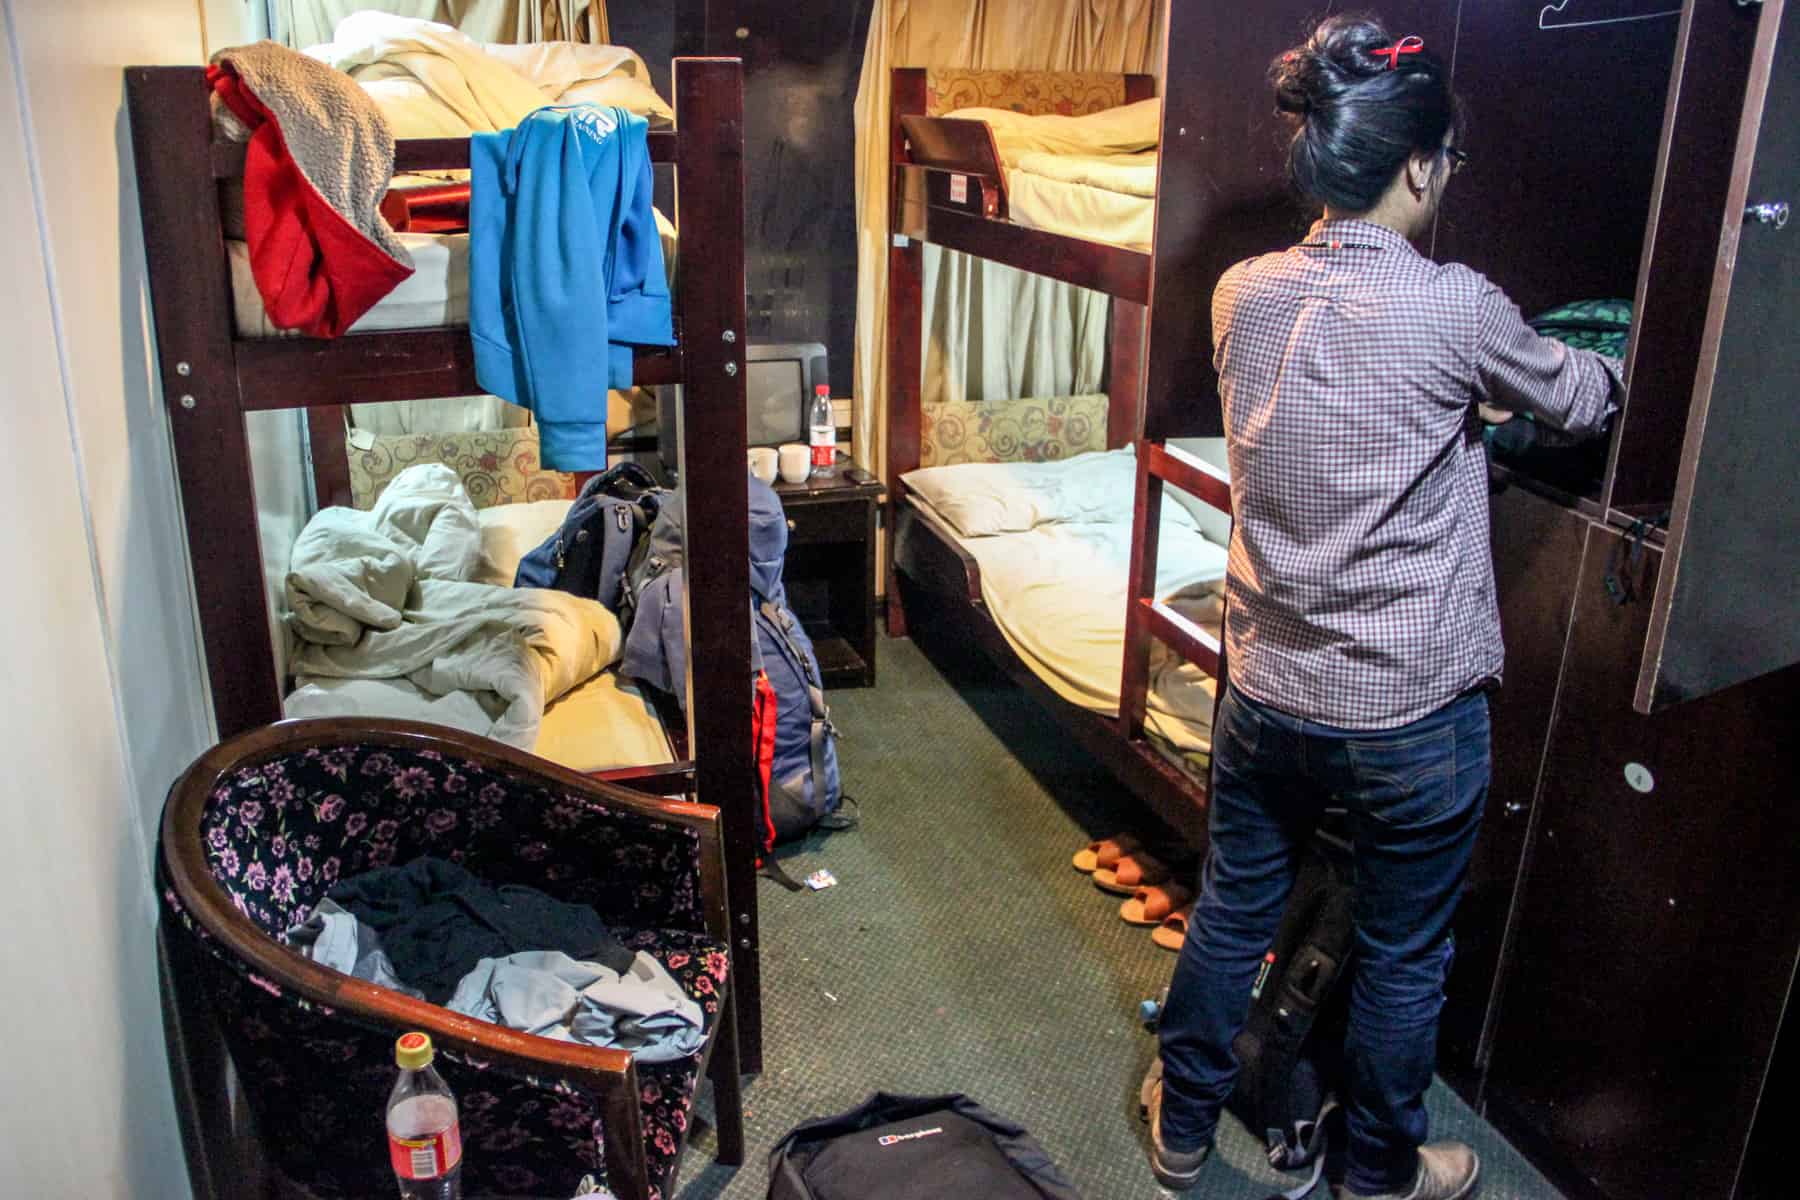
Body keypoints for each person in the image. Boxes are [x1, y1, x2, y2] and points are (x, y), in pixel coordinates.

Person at [1144, 14, 1622, 1200]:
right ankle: (1379, 1175)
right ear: (1419, 166)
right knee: (1407, 959)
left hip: (1268, 692)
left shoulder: (1242, 294)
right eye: (1449, 161)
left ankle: (1185, 1128)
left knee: (1232, 909)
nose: (1449, 178)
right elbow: (1580, 399)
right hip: (1409, 716)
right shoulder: (1456, 309)